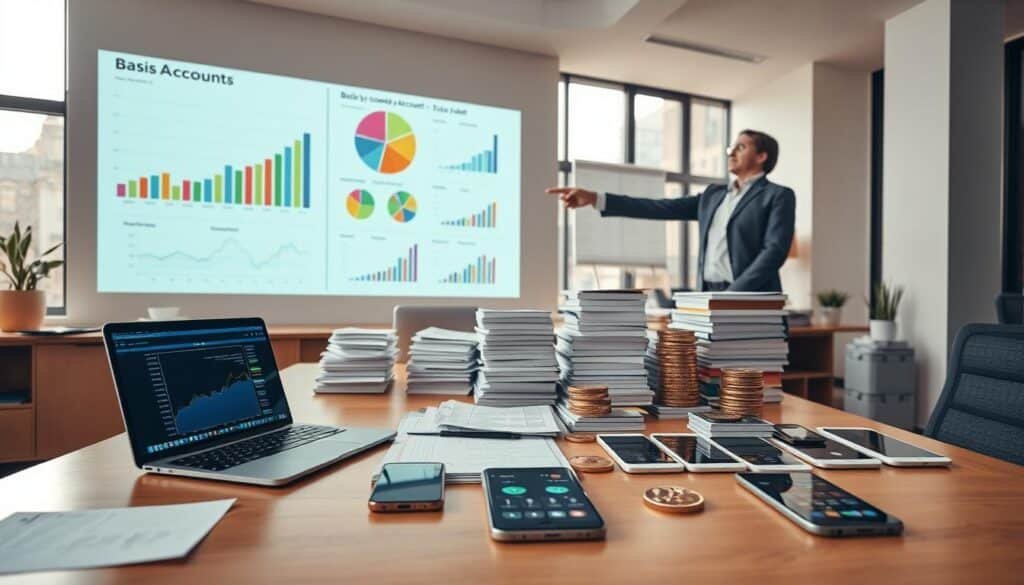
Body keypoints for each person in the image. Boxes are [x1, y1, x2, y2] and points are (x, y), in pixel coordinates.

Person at [547, 130, 795, 292]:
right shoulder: (713, 196)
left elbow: (773, 252)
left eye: (740, 147)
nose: (731, 152)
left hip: (751, 296)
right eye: (731, 147)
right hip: (709, 293)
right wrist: (595, 198)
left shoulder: (777, 196)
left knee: (752, 372)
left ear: (762, 156)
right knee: (712, 371)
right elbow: (658, 207)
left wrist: (735, 294)